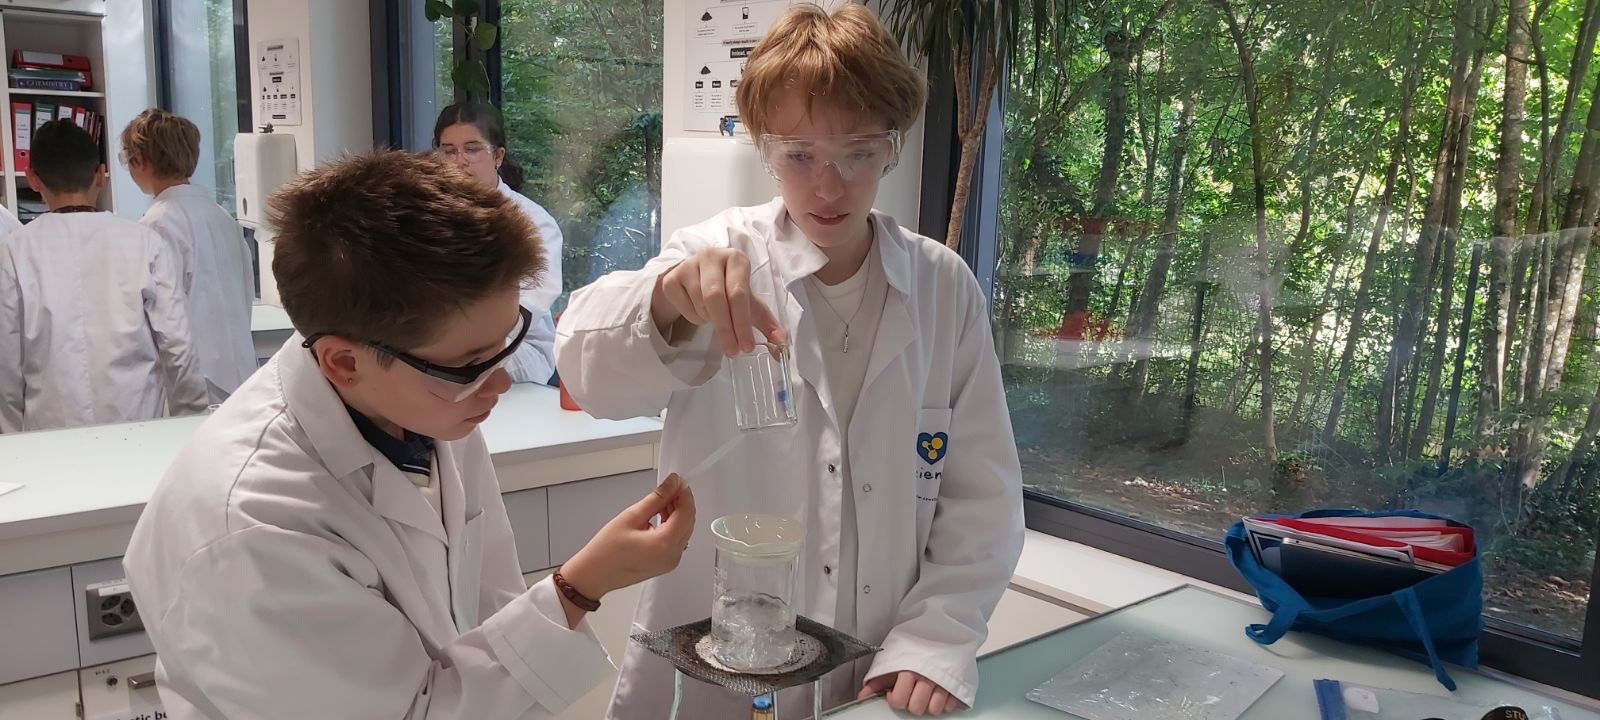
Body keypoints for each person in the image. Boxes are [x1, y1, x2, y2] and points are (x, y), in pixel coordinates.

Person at [556, 5, 1024, 718]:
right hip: (719, 671)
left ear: (893, 147)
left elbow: (981, 497)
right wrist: (668, 300)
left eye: (858, 153)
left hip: (879, 676)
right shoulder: (716, 257)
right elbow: (587, 373)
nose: (828, 187)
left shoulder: (942, 286)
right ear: (763, 149)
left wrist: (935, 640)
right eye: (799, 156)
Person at [123, 150, 696, 719]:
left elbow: (484, 619)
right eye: (470, 362)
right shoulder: (254, 526)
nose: (499, 381)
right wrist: (580, 587)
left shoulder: (425, 405)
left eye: (506, 339)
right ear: (343, 362)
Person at [0, 119, 207, 432]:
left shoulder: (14, 252)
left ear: (33, 179)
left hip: (49, 436)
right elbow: (178, 347)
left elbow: (7, 364)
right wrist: (190, 425)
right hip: (139, 429)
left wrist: (14, 444)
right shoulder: (145, 243)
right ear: (100, 174)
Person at [122, 108, 258, 401]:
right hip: (238, 371)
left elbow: (162, 318)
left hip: (193, 379)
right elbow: (245, 291)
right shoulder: (222, 217)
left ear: (140, 161)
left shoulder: (156, 226)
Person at [435, 101, 563, 385]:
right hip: (441, 344)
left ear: (498, 156)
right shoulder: (428, 216)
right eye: (449, 151)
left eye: (472, 149)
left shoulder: (533, 222)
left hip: (517, 348)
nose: (459, 161)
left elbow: (531, 301)